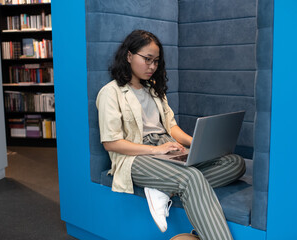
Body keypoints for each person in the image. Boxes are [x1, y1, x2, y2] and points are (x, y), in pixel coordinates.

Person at [96, 29, 246, 240]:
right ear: (129, 56)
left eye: (156, 61)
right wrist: (156, 149)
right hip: (134, 157)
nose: (152, 66)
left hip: (166, 147)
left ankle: (164, 189)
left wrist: (197, 143)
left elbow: (171, 127)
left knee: (235, 162)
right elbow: (111, 143)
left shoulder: (154, 88)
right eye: (147, 59)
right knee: (191, 178)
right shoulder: (110, 92)